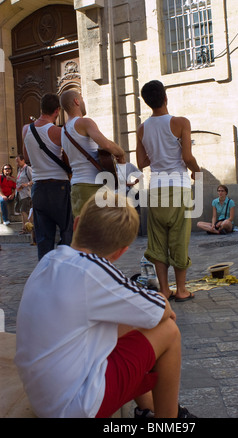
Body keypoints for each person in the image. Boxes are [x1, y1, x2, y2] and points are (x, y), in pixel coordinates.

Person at [15, 193, 196, 419]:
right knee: (168, 331)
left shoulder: (50, 260)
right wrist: (163, 308)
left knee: (125, 324)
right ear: (121, 251)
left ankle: (148, 407)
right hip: (75, 406)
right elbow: (160, 310)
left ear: (78, 222)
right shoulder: (94, 270)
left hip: (44, 397)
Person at [136, 80, 201, 302]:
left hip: (155, 189)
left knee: (157, 240)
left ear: (147, 102)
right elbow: (187, 157)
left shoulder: (142, 128)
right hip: (179, 186)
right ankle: (181, 290)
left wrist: (157, 154)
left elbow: (141, 161)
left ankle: (164, 290)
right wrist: (197, 171)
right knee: (179, 237)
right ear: (165, 97)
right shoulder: (181, 122)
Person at [60, 89, 126, 217]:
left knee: (83, 232)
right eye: (82, 99)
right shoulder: (84, 122)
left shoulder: (63, 131)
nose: (84, 102)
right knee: (101, 232)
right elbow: (106, 144)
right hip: (93, 186)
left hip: (76, 187)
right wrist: (121, 152)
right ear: (76, 101)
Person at [23, 93, 73, 260]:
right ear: (57, 110)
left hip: (38, 188)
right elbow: (69, 158)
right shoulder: (57, 131)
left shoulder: (26, 130)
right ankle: (63, 269)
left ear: (41, 109)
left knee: (44, 239)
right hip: (58, 187)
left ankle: (46, 274)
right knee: (67, 232)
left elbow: (27, 158)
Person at [15, 154, 33, 234]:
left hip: (26, 194)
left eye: (18, 161)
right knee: (23, 212)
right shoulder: (20, 170)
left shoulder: (27, 169)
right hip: (20, 194)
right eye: (16, 162)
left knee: (24, 211)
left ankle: (27, 229)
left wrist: (27, 184)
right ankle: (24, 228)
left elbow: (34, 179)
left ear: (23, 160)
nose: (17, 164)